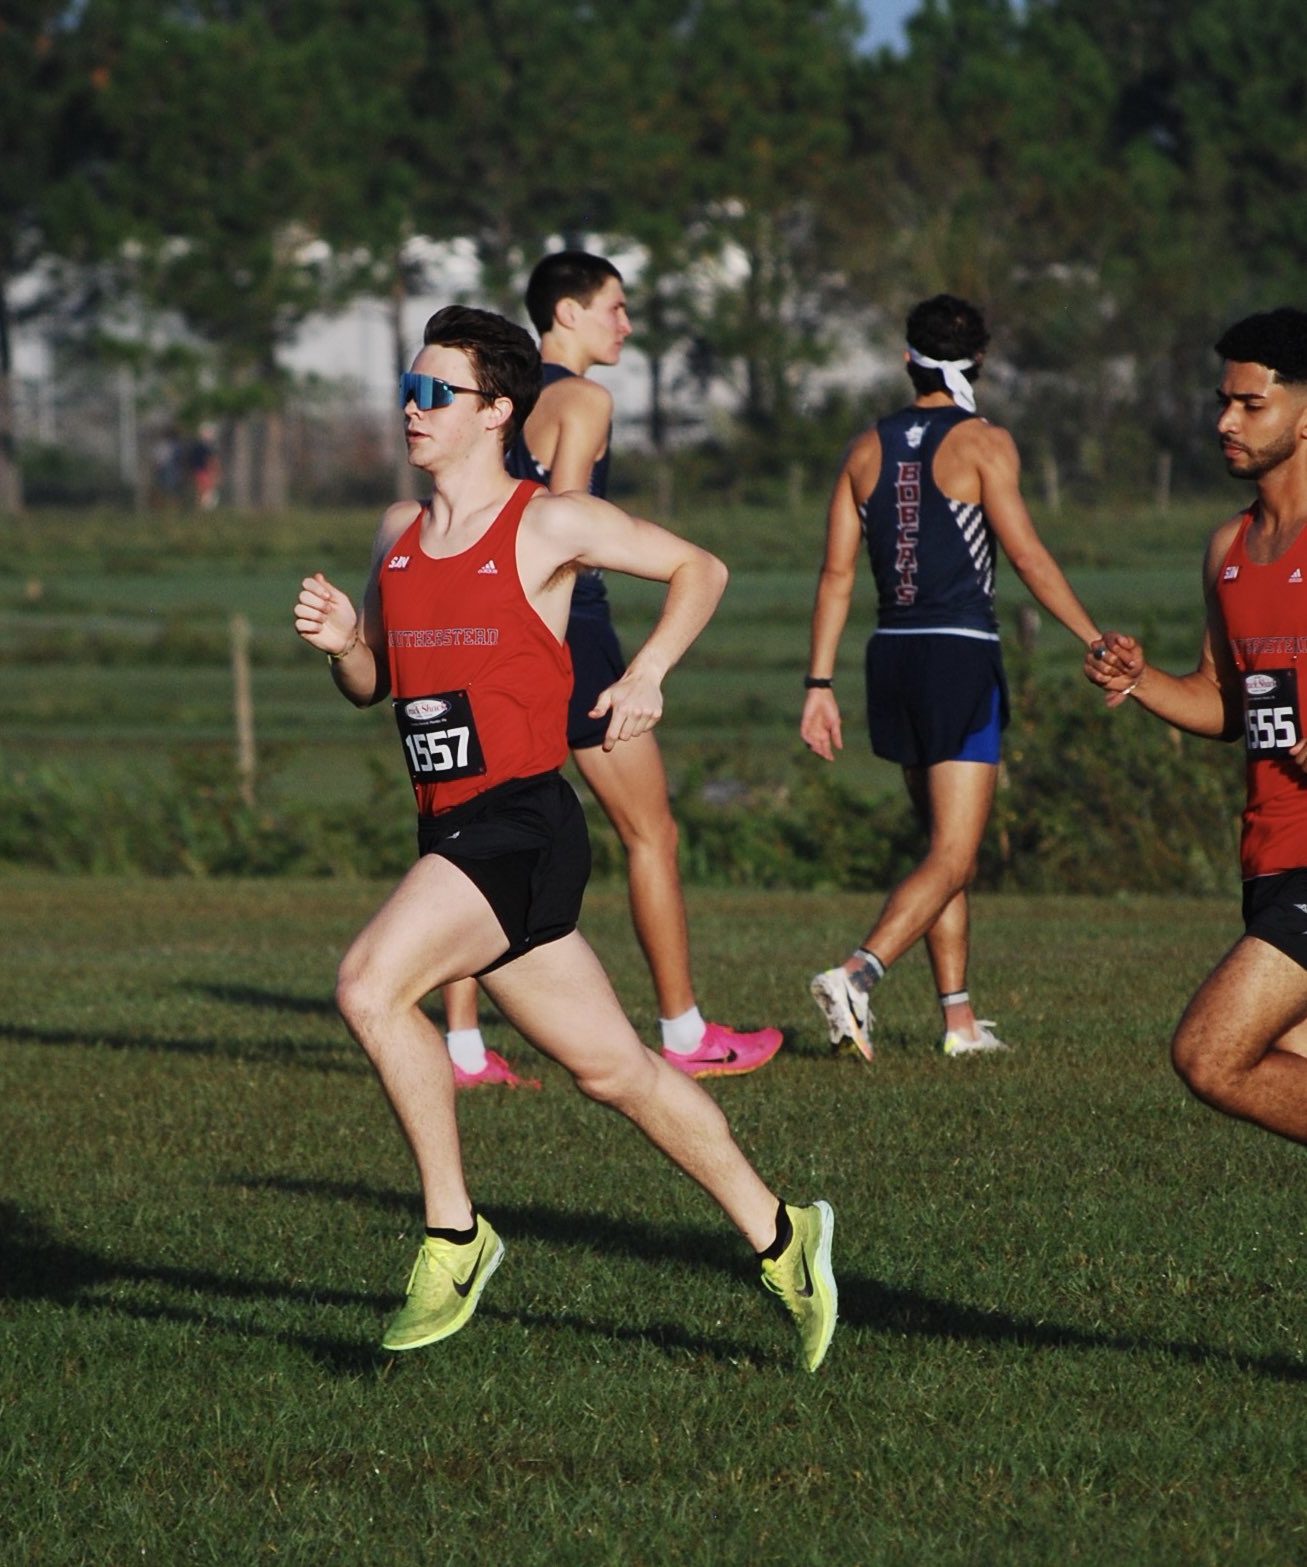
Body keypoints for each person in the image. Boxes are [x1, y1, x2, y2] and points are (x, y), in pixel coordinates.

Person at [291, 305, 836, 1368]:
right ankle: (784, 1236)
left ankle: (455, 1232)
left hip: (522, 825)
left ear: (495, 411)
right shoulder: (394, 533)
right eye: (408, 387)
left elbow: (701, 569)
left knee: (367, 985)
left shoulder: (543, 525)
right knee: (616, 1071)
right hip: (450, 830)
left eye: (435, 393)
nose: (412, 406)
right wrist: (343, 643)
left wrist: (643, 674)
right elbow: (374, 688)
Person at [441, 251, 782, 1089]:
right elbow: (561, 522)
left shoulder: (499, 400)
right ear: (564, 313)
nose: (625, 324)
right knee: (650, 833)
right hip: (570, 629)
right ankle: (684, 1031)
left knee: (467, 832)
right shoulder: (584, 399)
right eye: (614, 308)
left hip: (482, 626)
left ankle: (462, 1051)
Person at [801, 294, 1105, 1060]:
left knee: (941, 847)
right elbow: (1027, 554)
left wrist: (817, 685)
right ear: (980, 363)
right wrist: (1093, 637)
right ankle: (856, 974)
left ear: (907, 360)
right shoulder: (983, 442)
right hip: (957, 655)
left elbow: (836, 573)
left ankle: (959, 1022)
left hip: (889, 657)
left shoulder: (863, 447)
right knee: (956, 854)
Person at [1086, 307, 1307, 1143]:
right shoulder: (1225, 548)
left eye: (1250, 405)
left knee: (1210, 1054)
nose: (1224, 420)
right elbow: (1226, 701)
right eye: (1224, 401)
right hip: (1267, 856)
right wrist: (1141, 681)